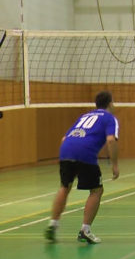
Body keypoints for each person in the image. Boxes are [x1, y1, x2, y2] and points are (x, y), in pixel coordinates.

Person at [44, 91, 120, 244]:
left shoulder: (84, 116)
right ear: (110, 103)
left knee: (65, 187)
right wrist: (115, 165)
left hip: (66, 149)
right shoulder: (110, 118)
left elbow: (64, 138)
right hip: (85, 152)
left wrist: (65, 158)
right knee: (97, 190)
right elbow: (111, 140)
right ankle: (85, 230)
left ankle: (53, 224)